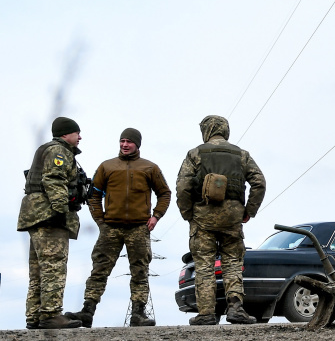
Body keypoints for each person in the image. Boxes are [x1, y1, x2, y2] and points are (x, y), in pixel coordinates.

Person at [67, 128, 172, 328]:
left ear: (137, 144)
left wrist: (156, 216)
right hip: (111, 228)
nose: (125, 145)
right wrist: (100, 221)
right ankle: (87, 311)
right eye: (122, 141)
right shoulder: (107, 167)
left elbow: (165, 193)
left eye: (129, 142)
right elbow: (94, 195)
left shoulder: (150, 168)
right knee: (99, 270)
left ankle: (138, 314)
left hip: (139, 228)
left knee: (140, 271)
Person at [175, 115, 266, 325]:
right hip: (233, 217)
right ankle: (235, 308)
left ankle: (206, 314)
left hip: (202, 216)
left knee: (204, 263)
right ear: (225, 130)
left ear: (206, 131)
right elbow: (259, 182)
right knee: (233, 261)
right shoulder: (242, 155)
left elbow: (182, 186)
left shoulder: (195, 153)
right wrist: (248, 211)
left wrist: (188, 213)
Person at [17, 117, 87, 329]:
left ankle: (35, 315)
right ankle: (50, 314)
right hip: (49, 217)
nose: (80, 137)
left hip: (36, 216)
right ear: (66, 134)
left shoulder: (46, 149)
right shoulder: (59, 151)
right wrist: (60, 211)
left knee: (38, 269)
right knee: (53, 266)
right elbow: (54, 179)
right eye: (77, 133)